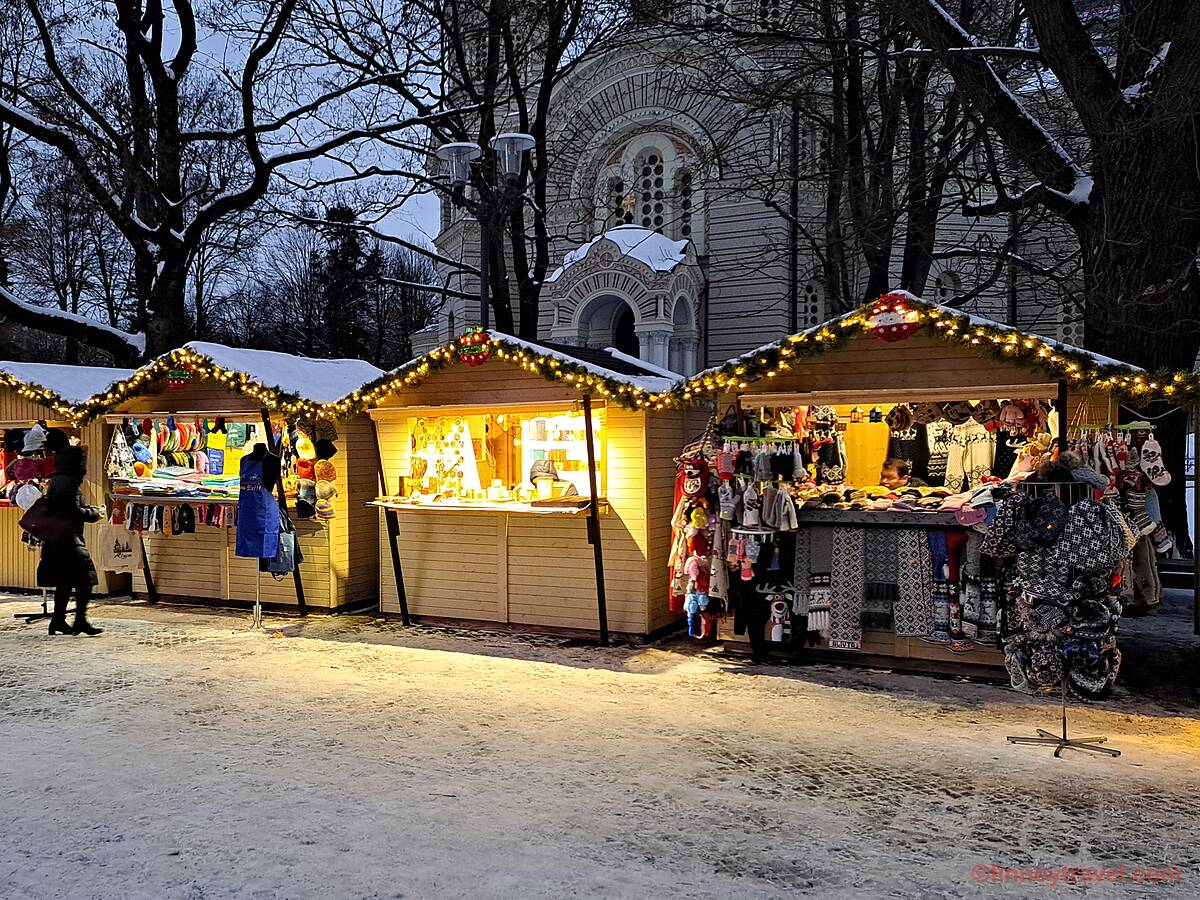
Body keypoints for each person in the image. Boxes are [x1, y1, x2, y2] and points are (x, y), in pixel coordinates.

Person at [40, 445, 104, 636]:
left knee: (65, 581)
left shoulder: (57, 481)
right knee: (86, 579)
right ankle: (79, 620)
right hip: (70, 539)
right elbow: (73, 510)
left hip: (57, 539)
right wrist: (95, 513)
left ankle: (58, 620)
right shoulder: (69, 483)